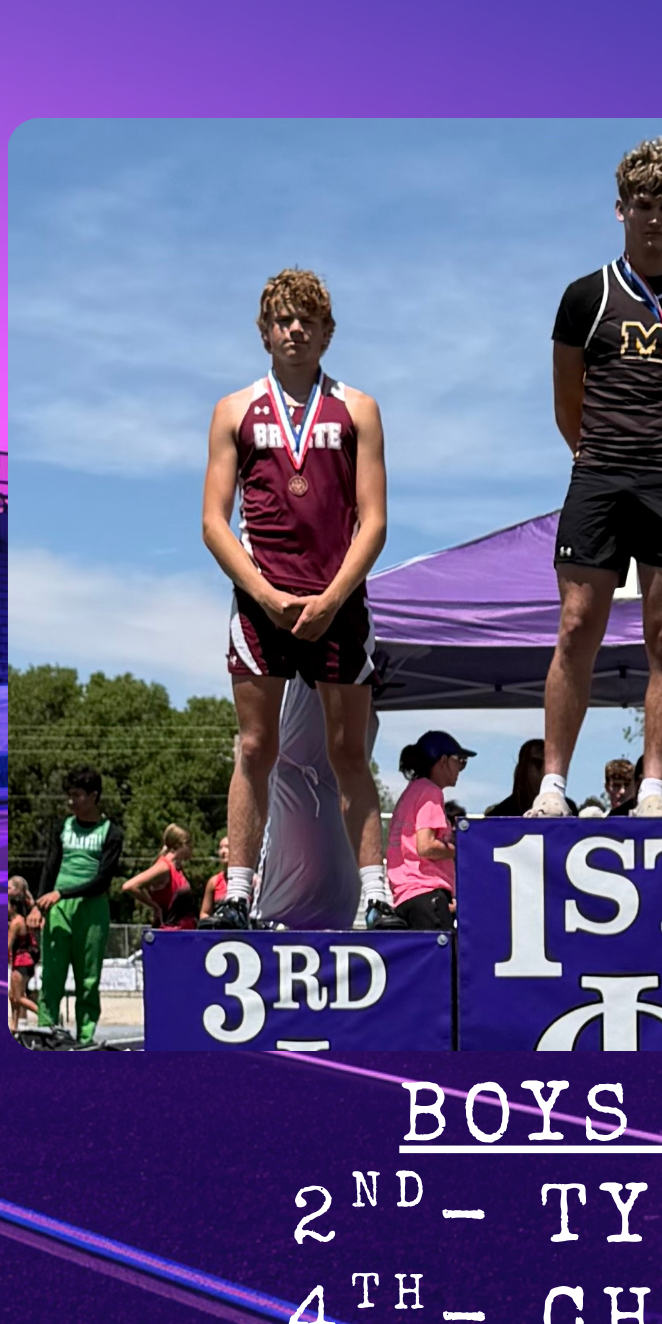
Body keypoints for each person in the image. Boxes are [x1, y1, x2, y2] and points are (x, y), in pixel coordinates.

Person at [528, 138, 662, 821]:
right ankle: (552, 786)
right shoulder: (585, 295)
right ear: (619, 209)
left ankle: (652, 789)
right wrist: (604, 462)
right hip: (599, 474)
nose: (652, 217)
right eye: (641, 204)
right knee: (576, 624)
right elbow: (566, 406)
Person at [200, 267, 392, 930]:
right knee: (255, 746)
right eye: (283, 319)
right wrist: (265, 594)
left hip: (339, 600)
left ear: (328, 332)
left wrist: (335, 596)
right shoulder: (233, 410)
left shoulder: (359, 408)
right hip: (262, 602)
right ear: (264, 331)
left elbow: (375, 519)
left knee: (348, 752)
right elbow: (213, 522)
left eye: (308, 319)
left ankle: (376, 894)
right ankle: (236, 893)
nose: (295, 329)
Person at [30, 764, 125, 1046]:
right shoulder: (62, 827)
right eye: (69, 795)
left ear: (93, 796)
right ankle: (47, 1030)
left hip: (91, 911)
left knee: (88, 979)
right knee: (52, 974)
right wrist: (38, 905)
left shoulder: (111, 832)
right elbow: (50, 867)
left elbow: (102, 881)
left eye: (77, 795)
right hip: (58, 910)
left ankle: (86, 1037)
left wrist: (63, 893)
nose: (71, 801)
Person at [386, 731, 474, 931]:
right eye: (460, 761)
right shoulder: (431, 792)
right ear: (443, 761)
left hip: (404, 897)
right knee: (444, 961)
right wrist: (463, 848)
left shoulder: (409, 793)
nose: (460, 768)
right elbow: (426, 846)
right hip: (427, 895)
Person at [122, 824, 200, 931]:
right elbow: (130, 886)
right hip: (169, 934)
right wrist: (154, 906)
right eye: (190, 844)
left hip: (184, 932)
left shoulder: (177, 869)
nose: (192, 849)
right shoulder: (164, 867)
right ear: (181, 845)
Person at [6, 876, 39, 1035]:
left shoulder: (16, 923)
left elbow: (7, 946)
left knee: (19, 997)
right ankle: (14, 1025)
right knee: (13, 995)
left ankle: (45, 1016)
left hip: (20, 963)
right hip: (27, 962)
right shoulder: (25, 918)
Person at [484, 740, 550, 818]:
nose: (544, 770)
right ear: (522, 769)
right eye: (538, 764)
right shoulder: (499, 816)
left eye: (548, 764)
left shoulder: (567, 813)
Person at [199, 835, 230, 922]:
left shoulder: (251, 881)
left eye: (227, 847)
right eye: (220, 848)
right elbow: (204, 913)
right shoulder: (214, 882)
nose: (223, 851)